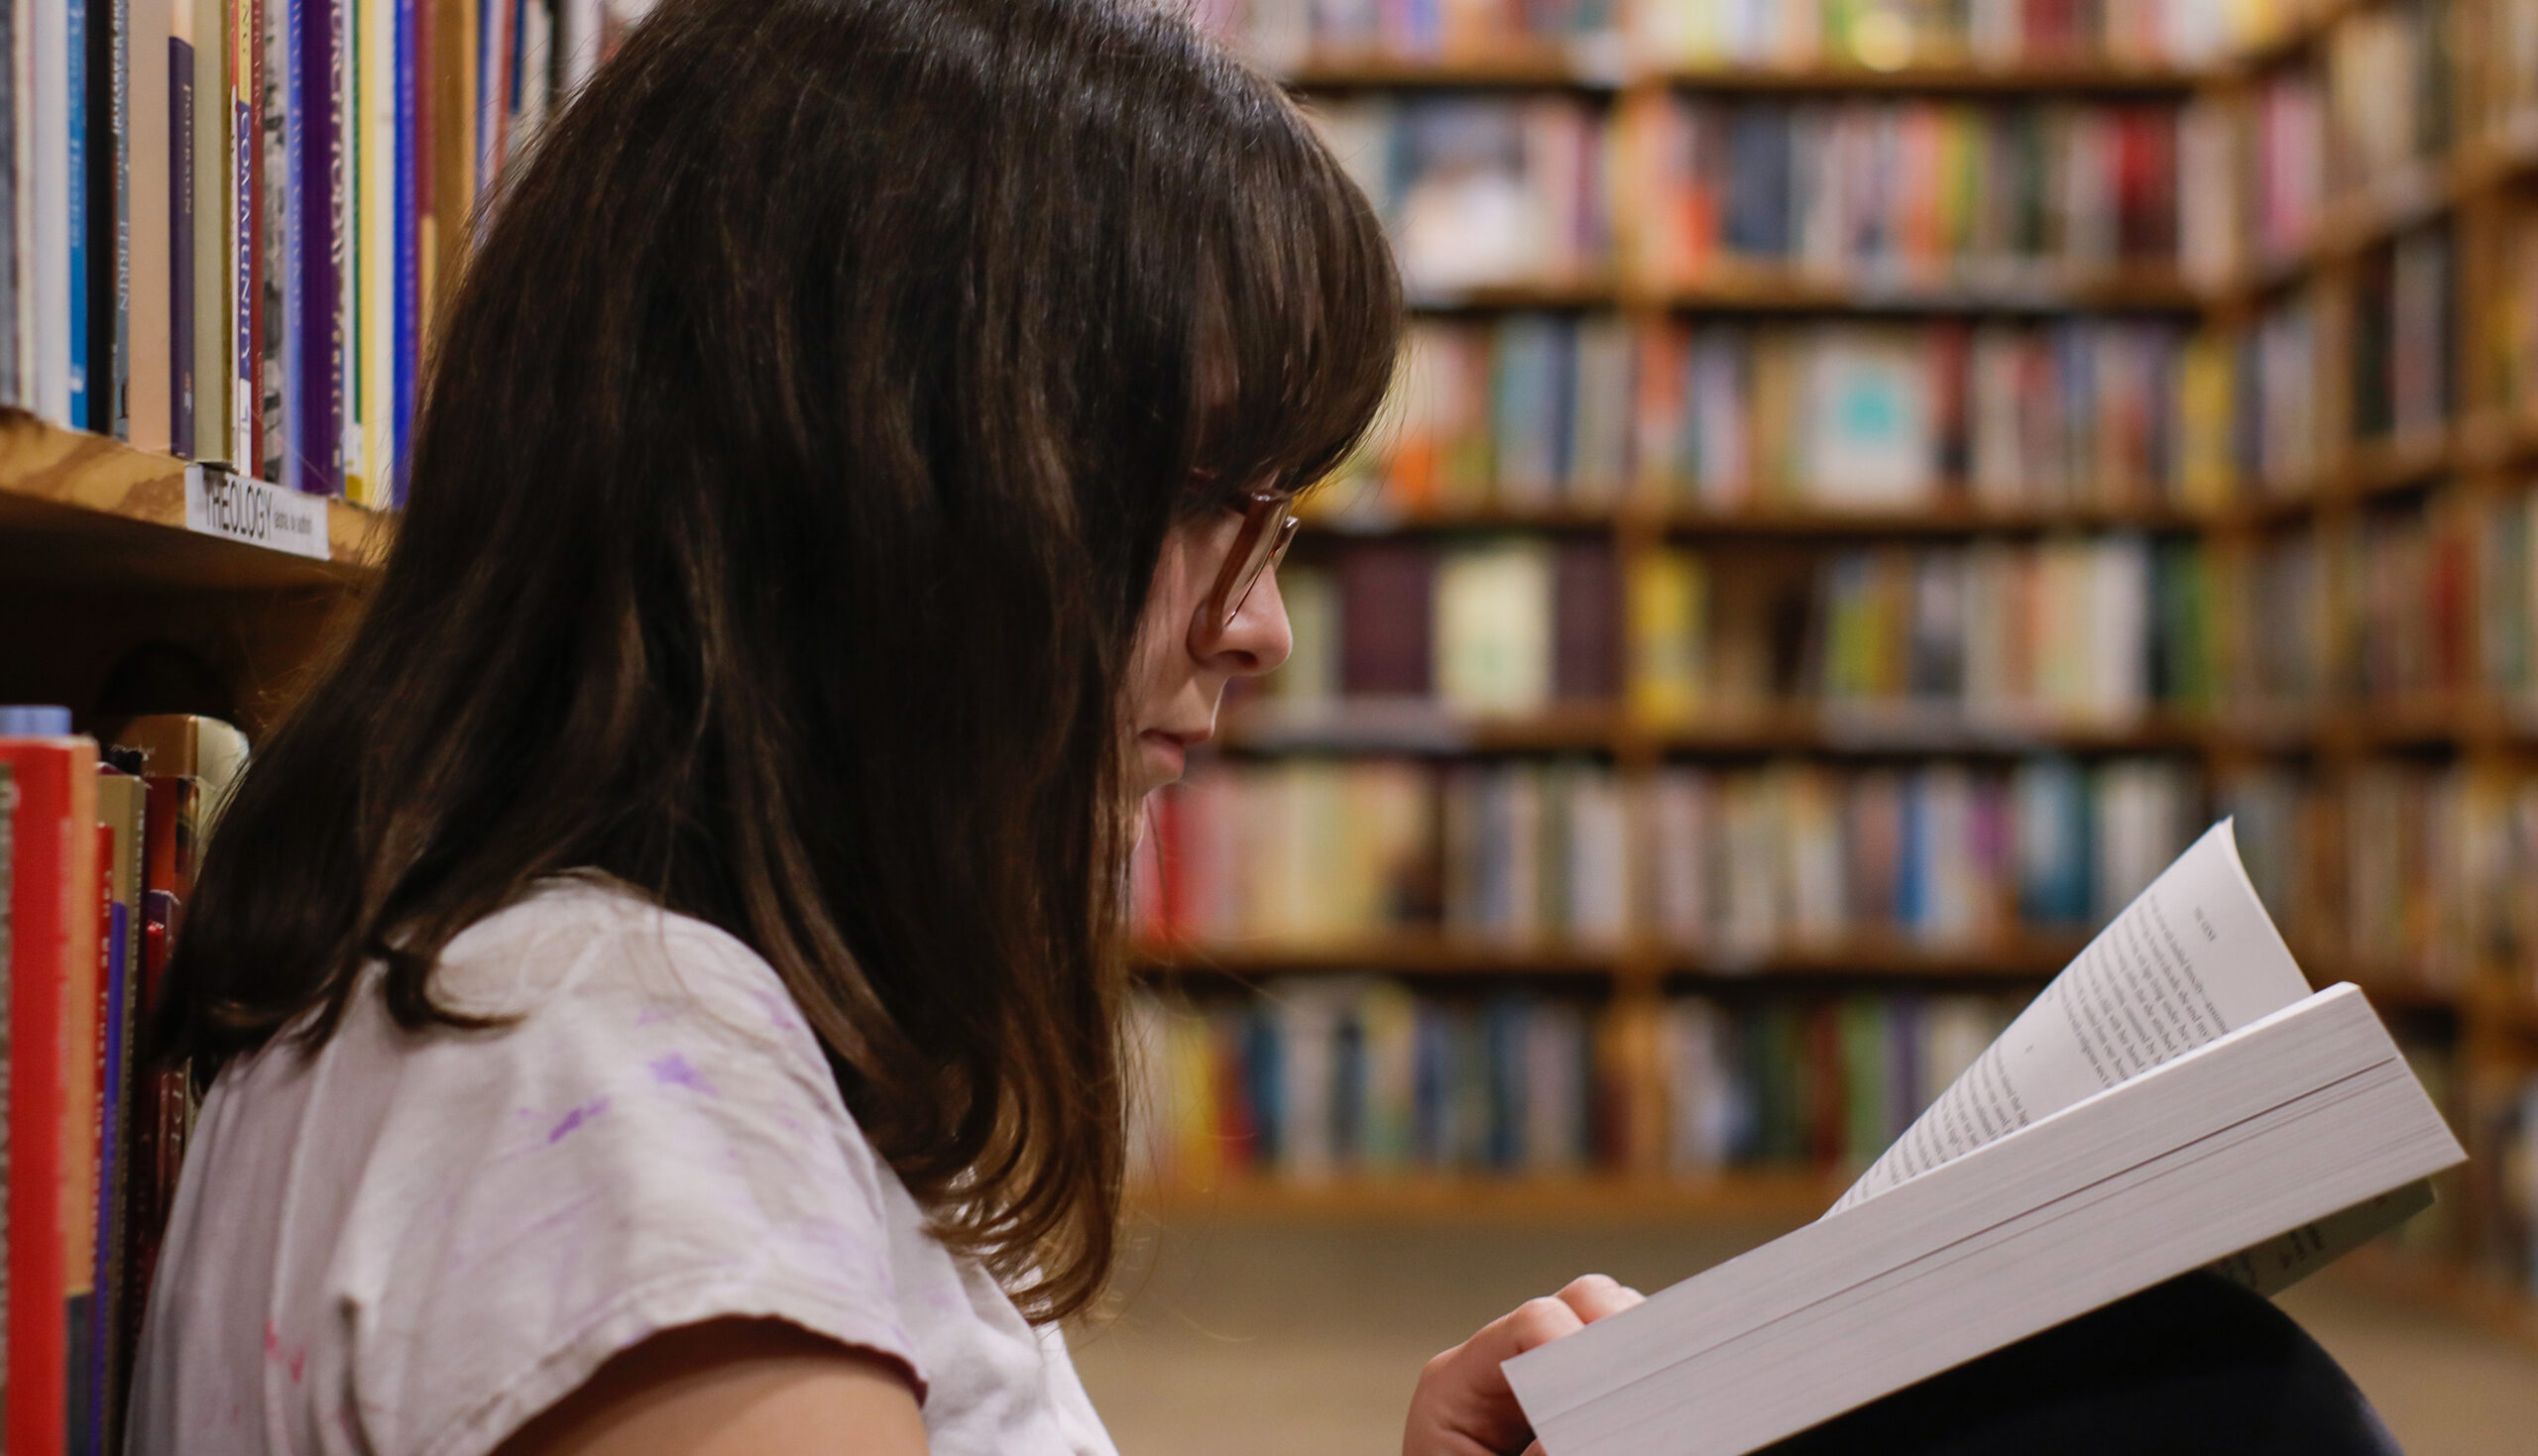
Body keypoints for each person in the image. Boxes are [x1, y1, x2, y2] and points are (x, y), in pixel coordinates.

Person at [122, 1, 2405, 1453]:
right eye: (1226, 511)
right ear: (920, 492)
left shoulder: (514, 986)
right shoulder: (622, 1127)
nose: (1266, 640)